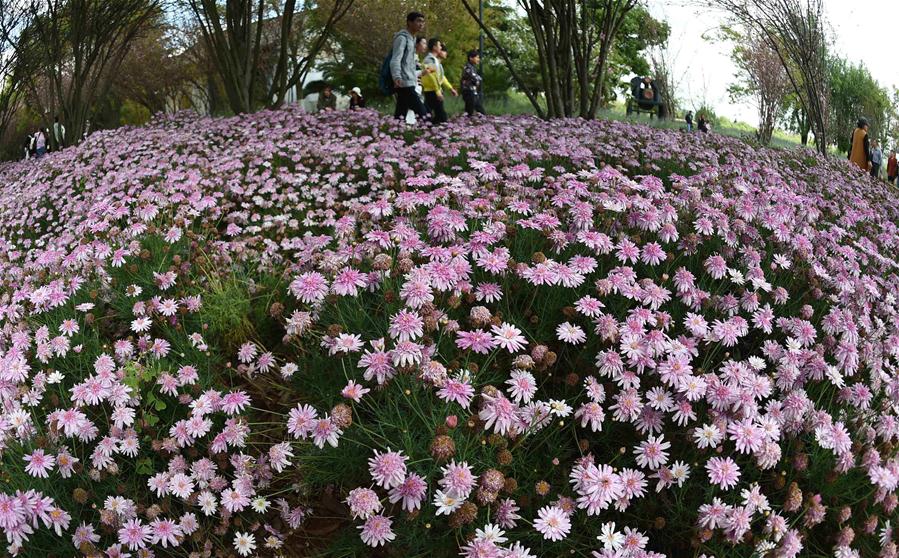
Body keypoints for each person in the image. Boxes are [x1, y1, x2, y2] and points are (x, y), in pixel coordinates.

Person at [391, 12, 430, 122]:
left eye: (423, 21)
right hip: (404, 82)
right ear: (409, 22)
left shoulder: (412, 38)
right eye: (418, 21)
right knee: (423, 114)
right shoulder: (402, 38)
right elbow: (395, 59)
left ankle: (394, 134)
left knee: (400, 115)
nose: (421, 24)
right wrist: (396, 76)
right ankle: (432, 135)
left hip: (409, 81)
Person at [421, 38, 457, 124]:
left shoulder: (435, 60)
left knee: (431, 114)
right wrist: (438, 92)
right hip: (432, 91)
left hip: (433, 90)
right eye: (439, 45)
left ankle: (426, 129)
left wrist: (450, 88)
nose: (441, 47)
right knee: (441, 115)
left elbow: (441, 77)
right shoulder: (429, 60)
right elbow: (432, 77)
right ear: (434, 47)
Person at [461, 49, 486, 116]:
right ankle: (467, 124)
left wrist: (477, 80)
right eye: (477, 57)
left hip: (473, 92)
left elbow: (476, 78)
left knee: (480, 111)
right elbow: (474, 77)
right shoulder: (468, 67)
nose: (478, 59)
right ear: (471, 58)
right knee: (470, 112)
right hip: (469, 92)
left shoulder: (472, 67)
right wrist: (477, 80)